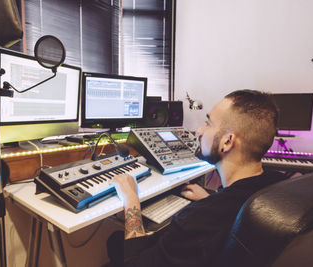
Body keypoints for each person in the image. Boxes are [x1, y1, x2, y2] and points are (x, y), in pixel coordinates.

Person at [107, 89, 287, 267]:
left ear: (227, 142)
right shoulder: (278, 184)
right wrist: (210, 198)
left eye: (208, 123)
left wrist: (131, 200)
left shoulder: (199, 219)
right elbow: (234, 212)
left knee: (116, 242)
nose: (200, 130)